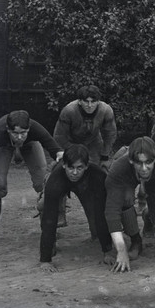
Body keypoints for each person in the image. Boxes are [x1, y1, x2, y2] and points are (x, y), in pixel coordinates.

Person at [0, 110, 63, 247]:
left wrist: (60, 155)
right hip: (4, 147)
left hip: (30, 145)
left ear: (29, 128)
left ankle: (49, 229)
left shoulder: (36, 128)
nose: (19, 137)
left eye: (23, 133)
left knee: (44, 184)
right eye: (15, 133)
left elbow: (53, 146)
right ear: (7, 129)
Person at [105, 136, 155, 272]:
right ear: (131, 161)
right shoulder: (119, 168)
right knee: (124, 199)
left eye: (148, 162)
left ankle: (149, 216)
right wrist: (121, 250)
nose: (144, 168)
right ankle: (136, 240)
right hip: (127, 172)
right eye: (139, 163)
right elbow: (112, 210)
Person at [39, 144, 114, 272]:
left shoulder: (98, 175)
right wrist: (45, 260)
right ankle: (49, 244)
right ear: (64, 165)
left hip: (86, 186)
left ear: (86, 166)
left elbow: (101, 213)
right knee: (44, 207)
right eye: (71, 167)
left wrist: (107, 252)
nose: (74, 172)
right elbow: (49, 218)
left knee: (98, 222)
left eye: (79, 168)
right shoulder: (55, 180)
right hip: (58, 183)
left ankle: (103, 242)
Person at [53, 85, 117, 231]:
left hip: (94, 143)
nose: (89, 105)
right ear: (79, 101)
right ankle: (60, 213)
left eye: (93, 101)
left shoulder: (106, 110)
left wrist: (105, 155)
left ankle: (99, 219)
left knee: (98, 176)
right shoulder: (69, 111)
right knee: (62, 174)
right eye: (85, 101)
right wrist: (72, 151)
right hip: (69, 142)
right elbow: (59, 136)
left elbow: (110, 134)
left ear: (98, 102)